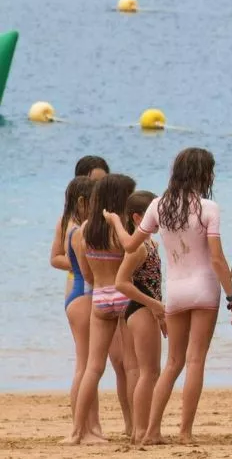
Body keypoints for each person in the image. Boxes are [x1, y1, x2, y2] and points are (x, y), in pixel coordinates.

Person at [118, 148, 232, 445]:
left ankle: (151, 431)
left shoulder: (157, 206)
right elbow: (216, 259)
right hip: (204, 289)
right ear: (204, 174)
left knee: (173, 362)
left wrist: (114, 223)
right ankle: (185, 432)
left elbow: (130, 245)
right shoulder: (209, 208)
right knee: (195, 360)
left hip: (174, 291)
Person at [66, 173, 137, 445]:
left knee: (93, 367)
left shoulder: (84, 231)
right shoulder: (122, 230)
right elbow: (132, 266)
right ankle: (135, 426)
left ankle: (76, 431)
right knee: (131, 367)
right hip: (123, 297)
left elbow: (85, 272)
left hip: (98, 298)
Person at [50, 176, 101, 440]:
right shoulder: (79, 231)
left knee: (85, 363)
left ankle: (89, 427)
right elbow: (88, 272)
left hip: (76, 296)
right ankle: (81, 429)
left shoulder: (69, 226)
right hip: (83, 295)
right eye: (93, 202)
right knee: (85, 365)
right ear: (82, 202)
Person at [115, 190, 164, 443]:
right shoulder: (138, 247)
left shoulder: (150, 243)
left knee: (149, 371)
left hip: (146, 309)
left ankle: (139, 429)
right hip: (140, 309)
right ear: (137, 217)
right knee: (149, 372)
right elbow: (121, 283)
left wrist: (159, 309)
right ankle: (142, 431)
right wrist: (153, 304)